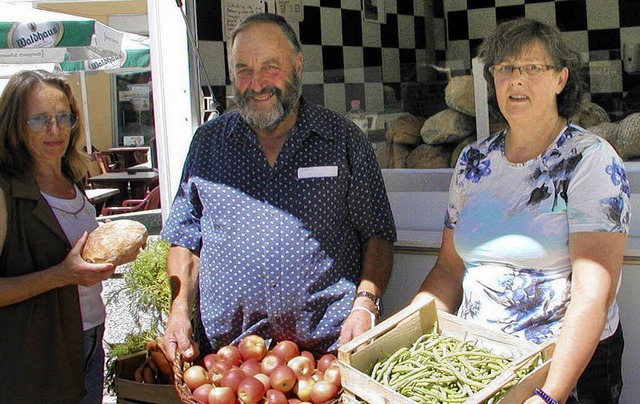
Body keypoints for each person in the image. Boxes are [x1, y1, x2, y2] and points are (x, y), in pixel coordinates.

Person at [411, 18, 629, 404]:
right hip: (481, 361)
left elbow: (593, 294)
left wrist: (549, 395)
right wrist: (401, 336)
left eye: (532, 68)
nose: (516, 79)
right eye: (505, 68)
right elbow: (447, 268)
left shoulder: (590, 161)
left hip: (563, 367)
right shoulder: (474, 160)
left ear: (561, 79)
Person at [161, 13, 396, 360]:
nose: (256, 84)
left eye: (270, 67)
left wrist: (365, 305)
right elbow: (185, 238)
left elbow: (377, 234)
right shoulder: (208, 143)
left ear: (298, 65)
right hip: (228, 362)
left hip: (329, 353)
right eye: (244, 70)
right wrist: (178, 309)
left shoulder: (342, 140)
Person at [0, 70, 116, 403]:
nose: (56, 129)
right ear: (14, 125)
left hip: (90, 338)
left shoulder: (72, 178)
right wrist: (60, 276)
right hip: (35, 357)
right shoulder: (6, 191)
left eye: (64, 117)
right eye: (39, 120)